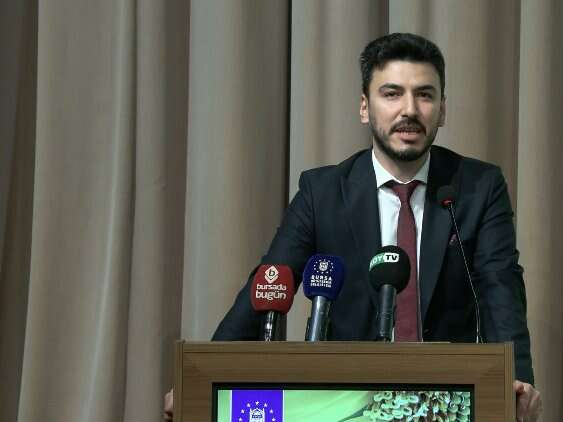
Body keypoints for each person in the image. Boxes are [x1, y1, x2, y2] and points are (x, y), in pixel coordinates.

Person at [165, 33, 541, 422]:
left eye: (425, 95)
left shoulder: (478, 187)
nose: (409, 110)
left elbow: (500, 288)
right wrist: (198, 382)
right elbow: (269, 285)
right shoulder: (322, 192)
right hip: (347, 399)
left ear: (442, 110)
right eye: (392, 94)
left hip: (447, 400)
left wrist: (518, 382)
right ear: (365, 107)